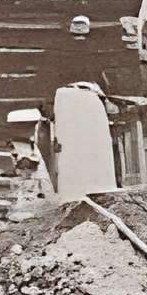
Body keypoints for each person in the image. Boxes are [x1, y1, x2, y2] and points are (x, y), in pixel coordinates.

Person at [37, 12, 117, 199]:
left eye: (83, 26)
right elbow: (47, 79)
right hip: (67, 100)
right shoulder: (55, 53)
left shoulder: (95, 52)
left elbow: (102, 79)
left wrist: (107, 98)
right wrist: (48, 106)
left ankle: (97, 188)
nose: (80, 30)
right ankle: (72, 192)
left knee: (94, 144)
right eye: (76, 26)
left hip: (89, 99)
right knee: (70, 145)